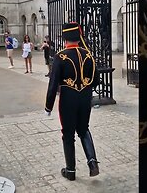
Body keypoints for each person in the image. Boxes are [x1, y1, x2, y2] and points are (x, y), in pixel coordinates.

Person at [45, 22, 100, 181]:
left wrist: (48, 106)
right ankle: (92, 163)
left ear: (65, 38)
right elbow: (96, 80)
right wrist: (85, 87)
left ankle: (70, 171)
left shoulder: (60, 56)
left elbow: (53, 83)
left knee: (68, 133)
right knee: (84, 129)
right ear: (79, 36)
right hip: (85, 99)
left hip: (68, 99)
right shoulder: (88, 54)